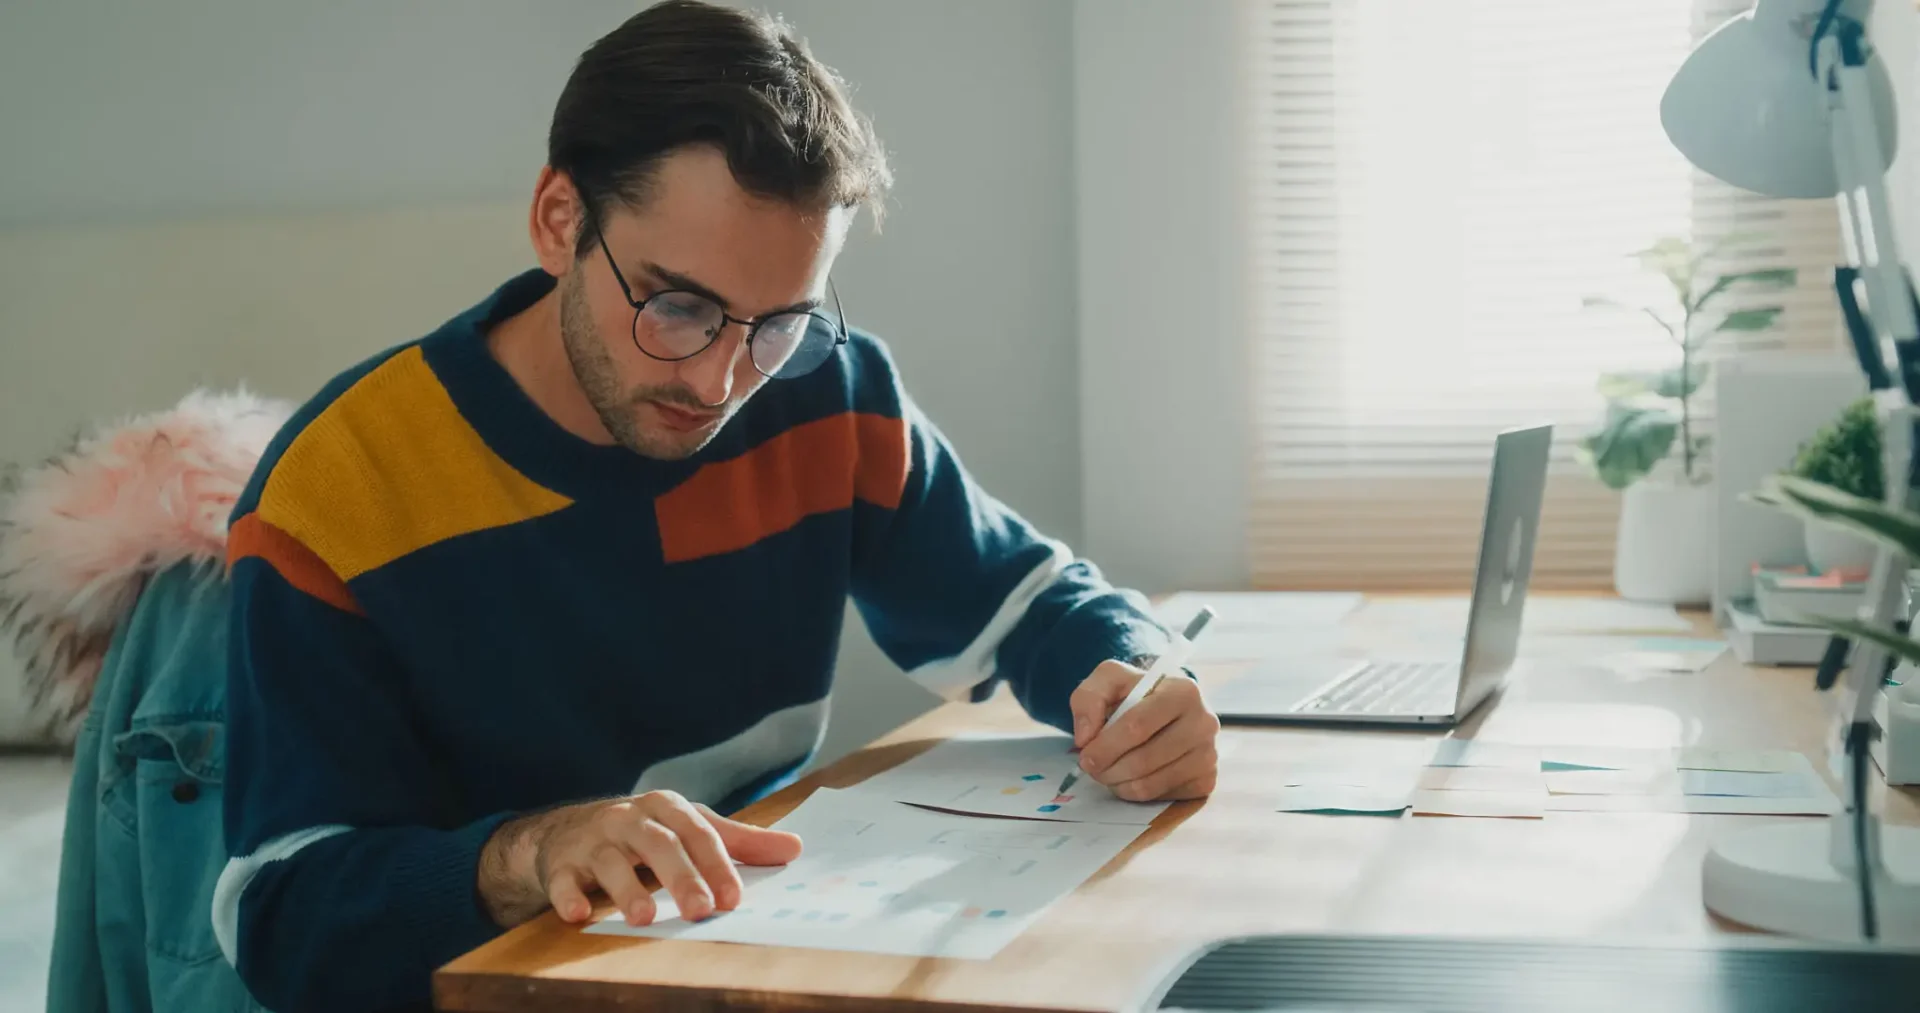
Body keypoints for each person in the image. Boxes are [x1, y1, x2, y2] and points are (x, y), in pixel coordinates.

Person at [215, 2, 1220, 1010]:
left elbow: (1028, 603)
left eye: (778, 323)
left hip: (753, 969)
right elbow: (281, 911)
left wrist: (1138, 677)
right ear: (559, 221)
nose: (721, 379)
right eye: (678, 306)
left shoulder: (822, 393)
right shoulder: (337, 493)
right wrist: (529, 852)